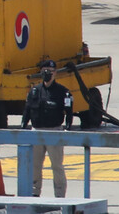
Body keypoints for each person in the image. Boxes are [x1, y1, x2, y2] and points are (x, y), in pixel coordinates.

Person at [21, 59, 73, 197]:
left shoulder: (62, 92)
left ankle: (60, 195)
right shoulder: (34, 91)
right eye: (44, 71)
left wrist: (68, 128)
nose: (46, 73)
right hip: (36, 132)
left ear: (55, 73)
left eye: (49, 71)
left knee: (57, 166)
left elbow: (69, 111)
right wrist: (23, 125)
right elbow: (27, 110)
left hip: (54, 132)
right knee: (35, 166)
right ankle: (34, 193)